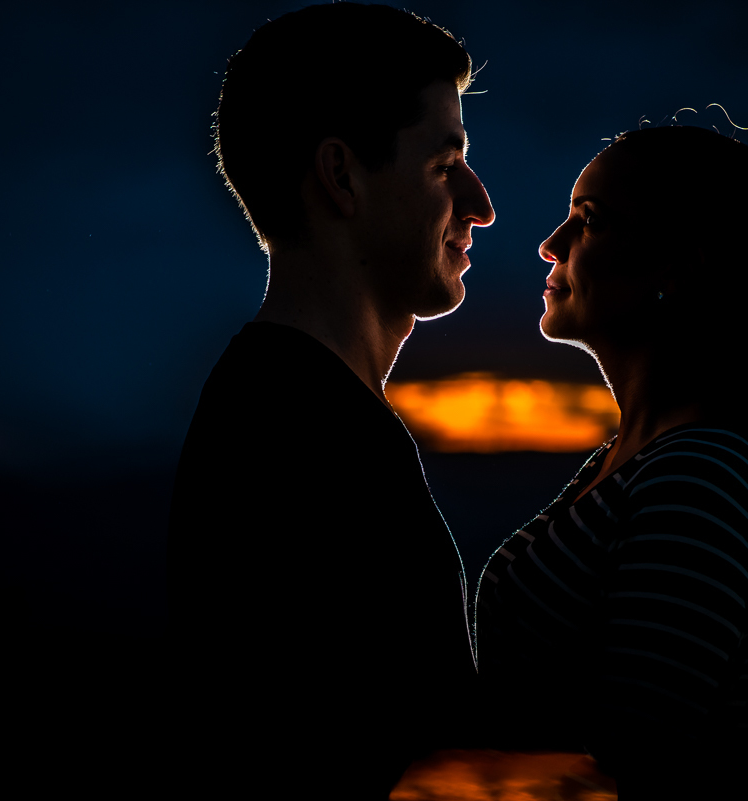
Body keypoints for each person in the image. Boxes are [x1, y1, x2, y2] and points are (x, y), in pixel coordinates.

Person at [474, 125, 748, 799]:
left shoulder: (702, 477)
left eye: (587, 222)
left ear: (674, 267)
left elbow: (636, 763)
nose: (551, 245)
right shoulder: (643, 456)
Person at [169, 4, 494, 797]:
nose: (480, 204)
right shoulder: (296, 437)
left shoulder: (300, 411)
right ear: (342, 175)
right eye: (443, 165)